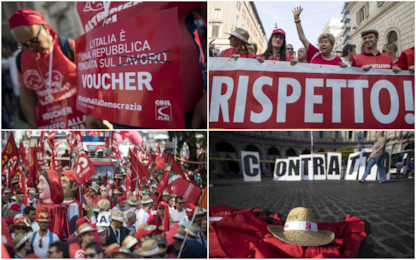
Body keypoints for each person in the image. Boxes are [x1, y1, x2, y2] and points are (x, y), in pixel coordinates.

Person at [8, 9, 83, 129]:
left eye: (33, 41)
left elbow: (90, 86)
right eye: (23, 44)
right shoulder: (21, 58)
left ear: (46, 28)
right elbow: (25, 94)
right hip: (49, 122)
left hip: (80, 119)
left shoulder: (70, 47)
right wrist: (33, 124)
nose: (30, 48)